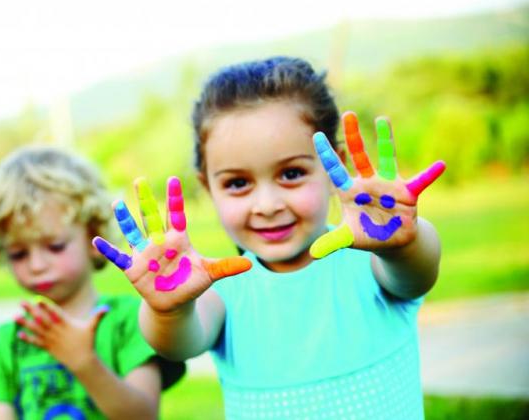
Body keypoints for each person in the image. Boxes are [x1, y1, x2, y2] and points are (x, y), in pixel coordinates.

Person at [94, 56, 445, 419]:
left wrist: (405, 243)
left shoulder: (373, 265)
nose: (267, 205)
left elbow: (417, 271)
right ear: (208, 187)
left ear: (334, 167)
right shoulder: (222, 294)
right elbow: (178, 343)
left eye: (291, 174)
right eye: (238, 183)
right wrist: (168, 308)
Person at [0, 146, 184, 420]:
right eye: (18, 253)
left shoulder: (131, 321)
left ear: (92, 235)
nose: (36, 265)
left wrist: (85, 364)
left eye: (55, 246)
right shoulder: (7, 342)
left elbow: (143, 415)